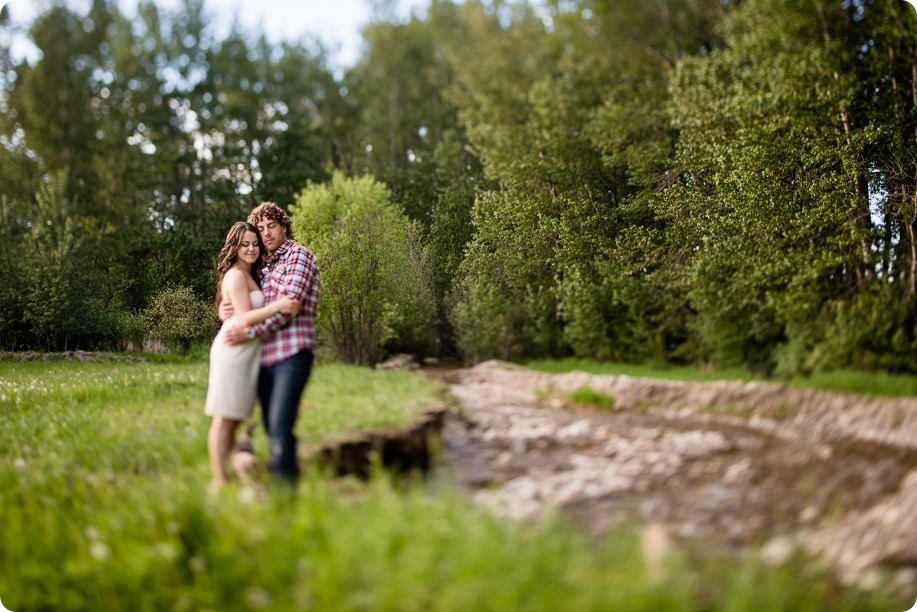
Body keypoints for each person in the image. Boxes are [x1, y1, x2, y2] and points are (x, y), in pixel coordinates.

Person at [221, 202, 320, 485]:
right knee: (269, 426)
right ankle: (280, 485)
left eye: (271, 226)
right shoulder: (263, 265)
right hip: (264, 357)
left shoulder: (298, 256)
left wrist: (248, 332)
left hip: (292, 352)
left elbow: (289, 309)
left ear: (284, 226)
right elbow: (238, 294)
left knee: (279, 425)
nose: (266, 233)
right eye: (260, 228)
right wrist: (224, 308)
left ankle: (283, 496)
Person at [204, 221, 301, 491]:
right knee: (224, 418)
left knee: (234, 417)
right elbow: (245, 317)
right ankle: (219, 481)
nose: (251, 248)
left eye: (254, 243)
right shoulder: (235, 275)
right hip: (233, 350)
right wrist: (280, 306)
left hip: (247, 352)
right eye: (244, 244)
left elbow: (237, 310)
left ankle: (233, 474)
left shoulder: (251, 274)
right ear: (234, 247)